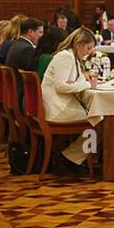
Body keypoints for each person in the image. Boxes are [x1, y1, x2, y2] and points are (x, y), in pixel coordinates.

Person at [41, 27, 98, 172]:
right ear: (79, 44)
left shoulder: (72, 56)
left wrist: (82, 80)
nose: (89, 52)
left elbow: (70, 81)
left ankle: (75, 157)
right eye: (88, 47)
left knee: (99, 117)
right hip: (57, 108)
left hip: (60, 104)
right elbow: (61, 86)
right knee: (100, 120)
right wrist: (86, 84)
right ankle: (71, 159)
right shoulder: (65, 56)